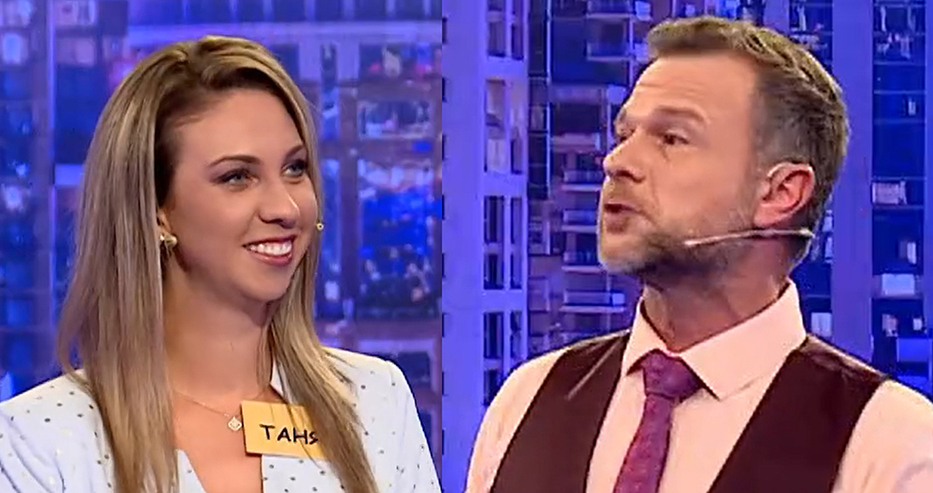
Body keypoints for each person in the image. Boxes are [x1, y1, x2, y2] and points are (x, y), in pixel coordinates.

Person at [466, 16, 933, 493]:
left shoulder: (891, 449)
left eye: (672, 139)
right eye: (625, 136)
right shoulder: (528, 400)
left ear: (780, 192)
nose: (617, 162)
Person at [0, 36, 439, 493]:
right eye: (237, 177)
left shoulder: (373, 402)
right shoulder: (37, 443)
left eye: (295, 168)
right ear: (156, 210)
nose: (286, 207)